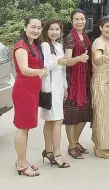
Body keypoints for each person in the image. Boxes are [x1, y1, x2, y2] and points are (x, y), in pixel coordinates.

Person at [13, 17, 47, 177]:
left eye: (39, 28)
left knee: (26, 128)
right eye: (33, 27)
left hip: (32, 92)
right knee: (23, 128)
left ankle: (22, 160)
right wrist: (39, 72)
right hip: (23, 92)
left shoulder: (34, 45)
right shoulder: (21, 46)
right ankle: (21, 164)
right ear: (25, 27)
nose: (36, 30)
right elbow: (24, 69)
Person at [63, 9, 92, 160]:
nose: (80, 22)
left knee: (84, 114)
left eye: (82, 19)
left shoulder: (85, 36)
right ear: (72, 20)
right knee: (72, 114)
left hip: (84, 79)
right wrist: (79, 58)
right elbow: (67, 61)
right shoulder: (70, 38)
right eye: (76, 19)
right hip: (73, 81)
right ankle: (71, 146)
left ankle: (75, 142)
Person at [41, 19, 70, 168]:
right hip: (50, 88)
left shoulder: (59, 45)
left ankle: (48, 150)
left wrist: (65, 86)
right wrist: (57, 62)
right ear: (46, 31)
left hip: (59, 87)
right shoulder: (45, 46)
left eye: (57, 29)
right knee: (57, 120)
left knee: (51, 120)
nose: (54, 32)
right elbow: (45, 66)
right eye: (51, 29)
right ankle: (57, 154)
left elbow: (63, 68)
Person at [91, 16, 109, 159]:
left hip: (108, 83)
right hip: (101, 82)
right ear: (101, 28)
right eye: (107, 26)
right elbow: (97, 57)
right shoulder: (99, 42)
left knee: (106, 115)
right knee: (102, 115)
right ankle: (100, 148)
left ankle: (102, 144)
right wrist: (101, 59)